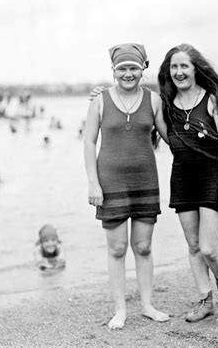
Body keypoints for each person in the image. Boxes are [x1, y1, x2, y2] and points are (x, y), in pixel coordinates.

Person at [84, 43, 169, 329]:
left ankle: (147, 305)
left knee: (143, 247)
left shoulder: (154, 100)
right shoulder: (100, 100)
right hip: (110, 182)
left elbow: (171, 137)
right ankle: (120, 310)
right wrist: (93, 183)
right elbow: (88, 143)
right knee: (118, 248)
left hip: (145, 179)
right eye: (122, 68)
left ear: (143, 68)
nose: (128, 73)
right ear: (113, 70)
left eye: (133, 67)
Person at [158, 44, 218, 322]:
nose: (179, 72)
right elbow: (136, 103)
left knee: (208, 247)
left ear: (196, 68)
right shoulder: (165, 103)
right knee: (193, 246)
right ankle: (205, 300)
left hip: (213, 177)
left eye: (184, 66)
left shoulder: (212, 100)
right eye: (174, 67)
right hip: (182, 178)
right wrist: (100, 93)